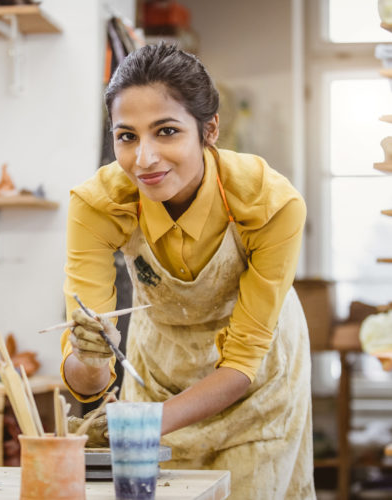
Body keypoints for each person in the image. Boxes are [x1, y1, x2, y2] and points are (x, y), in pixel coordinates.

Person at [61, 42, 315, 499]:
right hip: (156, 372)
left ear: (209, 129)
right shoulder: (97, 204)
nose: (145, 159)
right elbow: (88, 382)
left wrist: (139, 423)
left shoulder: (269, 203)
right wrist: (91, 357)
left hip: (258, 388)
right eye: (127, 136)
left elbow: (241, 366)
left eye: (166, 131)